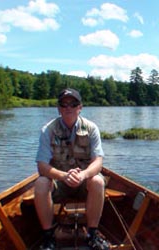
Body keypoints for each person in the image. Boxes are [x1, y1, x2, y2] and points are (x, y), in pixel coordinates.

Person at [34, 88, 109, 250]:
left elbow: (98, 162)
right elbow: (42, 166)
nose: (68, 108)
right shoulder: (48, 130)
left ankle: (92, 235)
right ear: (59, 108)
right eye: (64, 104)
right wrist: (63, 176)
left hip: (84, 183)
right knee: (40, 183)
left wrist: (82, 175)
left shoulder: (91, 128)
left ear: (80, 107)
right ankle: (48, 237)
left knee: (97, 181)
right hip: (59, 183)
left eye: (73, 104)